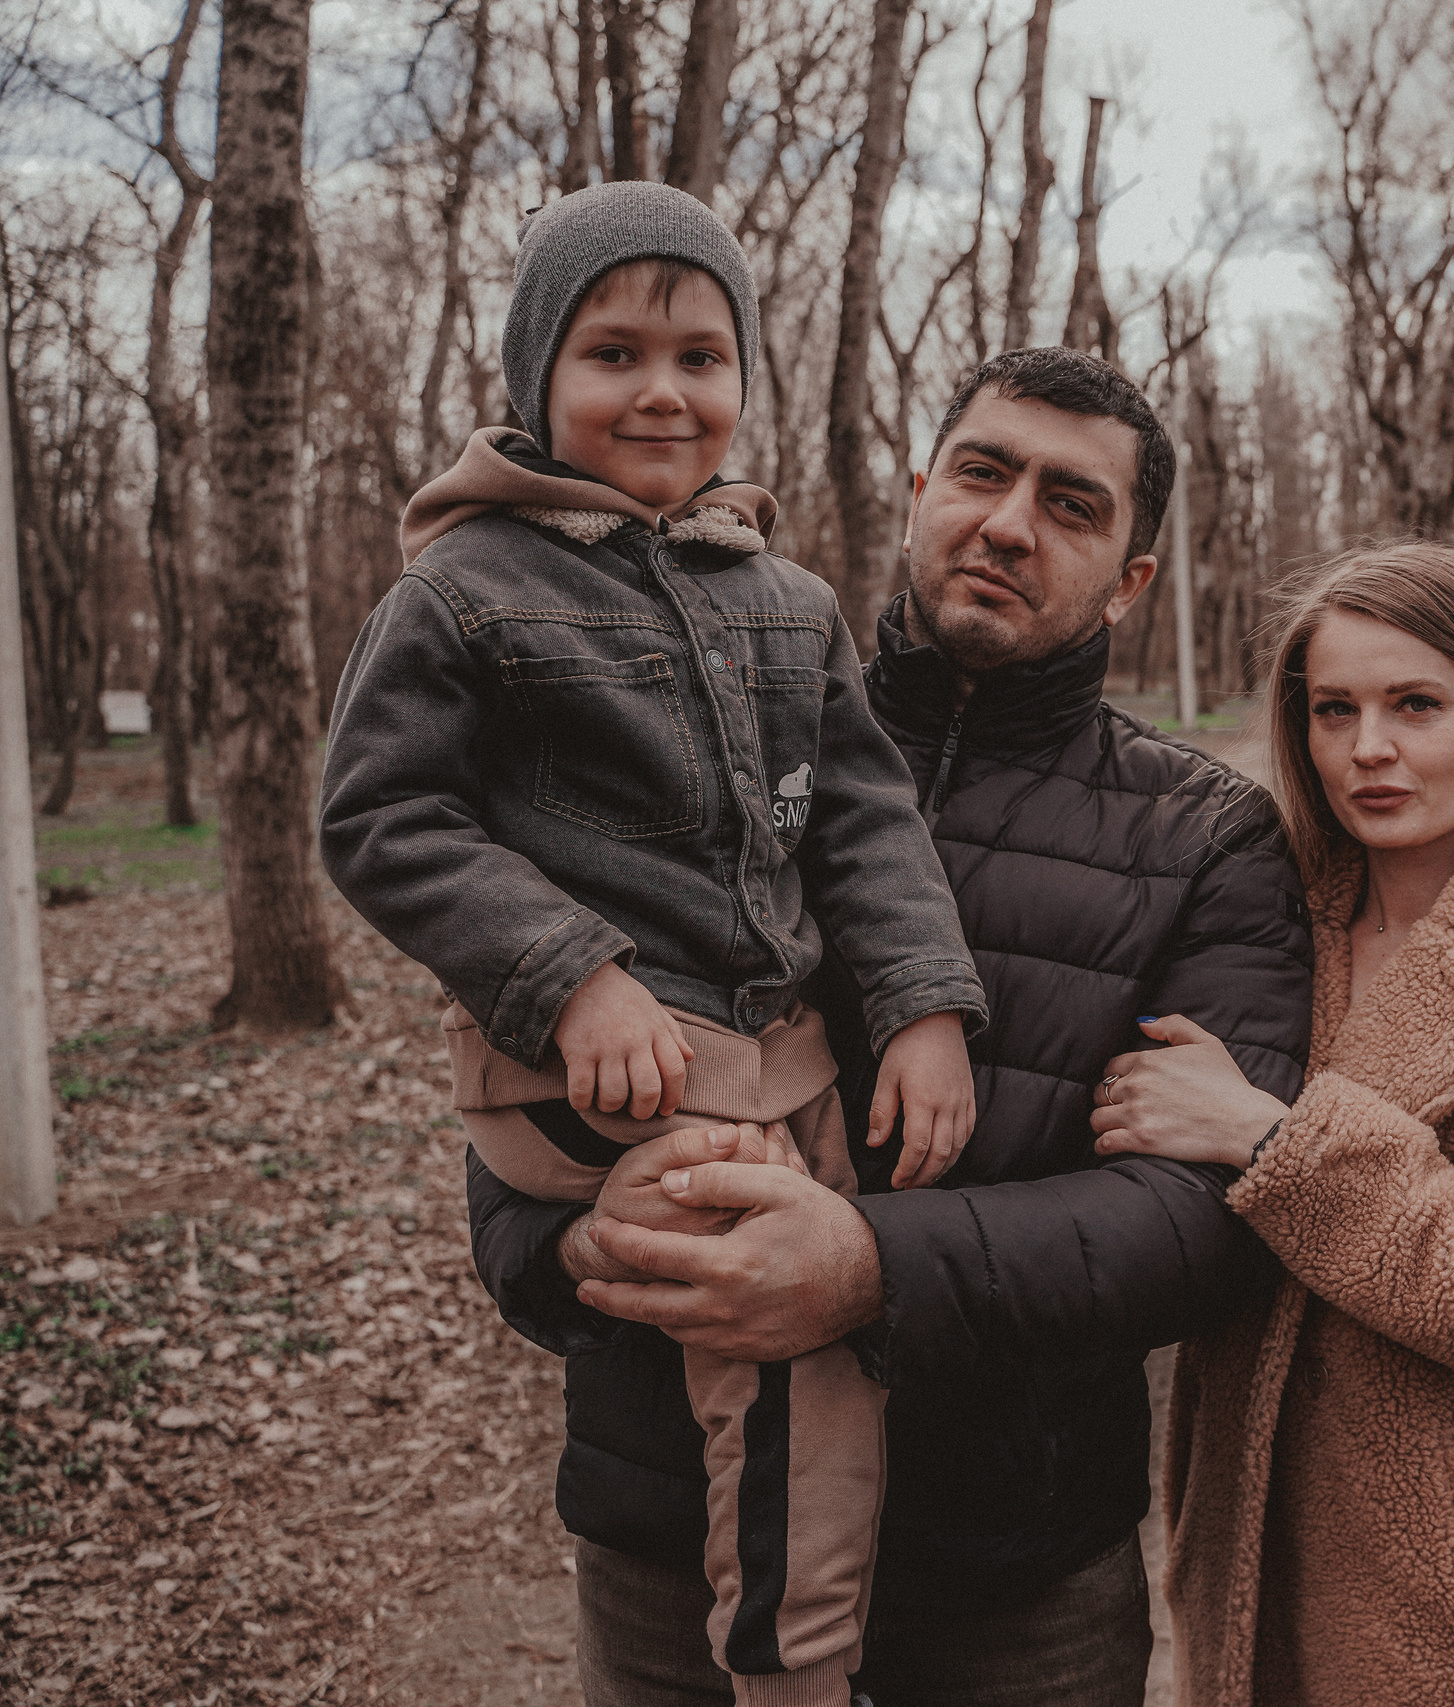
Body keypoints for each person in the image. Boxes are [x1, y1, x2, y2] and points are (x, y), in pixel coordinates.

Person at [465, 345, 1314, 1707]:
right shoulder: (682, 733)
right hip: (677, 1548)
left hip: (1013, 1585)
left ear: (1132, 580)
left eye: (1072, 505)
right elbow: (521, 1049)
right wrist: (570, 1247)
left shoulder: (1205, 837)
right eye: (982, 472)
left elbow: (1199, 1223)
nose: (1009, 523)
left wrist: (870, 1267)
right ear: (921, 492)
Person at [320, 181, 985, 1705]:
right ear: (536, 376)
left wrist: (926, 1006)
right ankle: (791, 1671)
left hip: (776, 1052)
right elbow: (379, 813)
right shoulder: (465, 589)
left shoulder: (790, 600)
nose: (664, 391)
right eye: (613, 353)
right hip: (594, 1069)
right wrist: (570, 973)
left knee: (866, 1272)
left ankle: (854, 1617)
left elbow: (866, 824)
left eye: (701, 356)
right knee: (778, 1325)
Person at [1090, 543, 1454, 1706]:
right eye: (1334, 710)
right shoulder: (1268, 923)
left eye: (1416, 705)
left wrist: (1268, 1139)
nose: (1368, 747)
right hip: (1262, 1555)